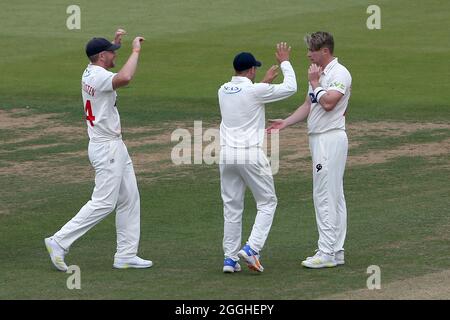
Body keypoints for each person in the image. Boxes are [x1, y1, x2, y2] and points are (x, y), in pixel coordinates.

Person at [44, 29, 152, 271]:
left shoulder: (89, 71)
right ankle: (59, 241)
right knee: (104, 202)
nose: (115, 57)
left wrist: (114, 43)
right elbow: (124, 78)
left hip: (112, 146)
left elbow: (104, 61)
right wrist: (135, 51)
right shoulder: (101, 78)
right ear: (102, 56)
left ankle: (125, 254)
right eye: (112, 54)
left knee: (130, 198)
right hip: (107, 149)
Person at [267, 32, 352, 268]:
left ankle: (326, 253)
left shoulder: (338, 73)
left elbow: (328, 103)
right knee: (333, 196)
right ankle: (335, 251)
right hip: (321, 139)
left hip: (329, 139)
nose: (308, 54)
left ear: (324, 51)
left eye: (312, 50)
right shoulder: (320, 73)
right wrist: (285, 122)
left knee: (325, 195)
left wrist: (316, 83)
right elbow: (309, 105)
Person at [218, 43, 297, 273]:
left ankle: (230, 259)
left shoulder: (222, 89)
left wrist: (264, 82)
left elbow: (247, 98)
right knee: (267, 202)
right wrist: (284, 62)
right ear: (251, 70)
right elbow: (291, 87)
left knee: (232, 207)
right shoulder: (254, 91)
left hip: (226, 155)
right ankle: (252, 248)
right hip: (250, 154)